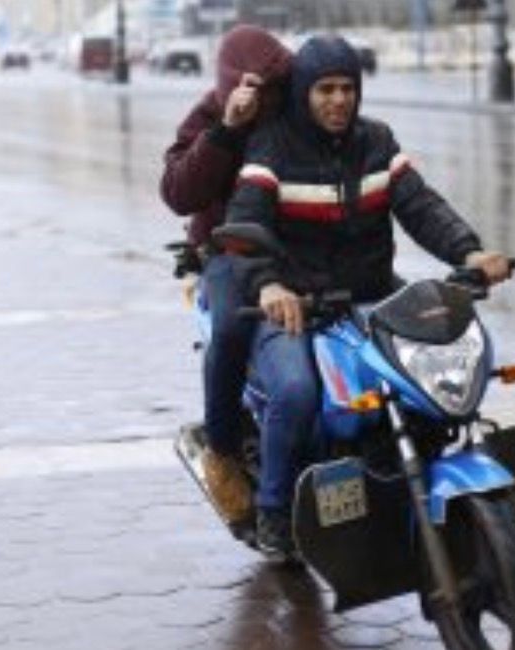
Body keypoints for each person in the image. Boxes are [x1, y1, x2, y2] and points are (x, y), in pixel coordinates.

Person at [225, 35, 512, 560]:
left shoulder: (376, 141)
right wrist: (269, 284)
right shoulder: (273, 146)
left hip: (371, 292)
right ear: (304, 93)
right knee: (296, 391)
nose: (338, 100)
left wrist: (469, 252)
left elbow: (421, 206)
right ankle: (273, 512)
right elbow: (244, 227)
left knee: (437, 354)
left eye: (347, 88)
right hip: (296, 305)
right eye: (325, 89)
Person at [159, 25, 292, 527]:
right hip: (225, 250)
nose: (269, 99)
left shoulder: (293, 110)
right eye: (259, 88)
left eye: (277, 88)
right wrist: (227, 131)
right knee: (234, 324)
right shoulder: (210, 115)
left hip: (297, 245)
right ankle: (222, 449)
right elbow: (179, 193)